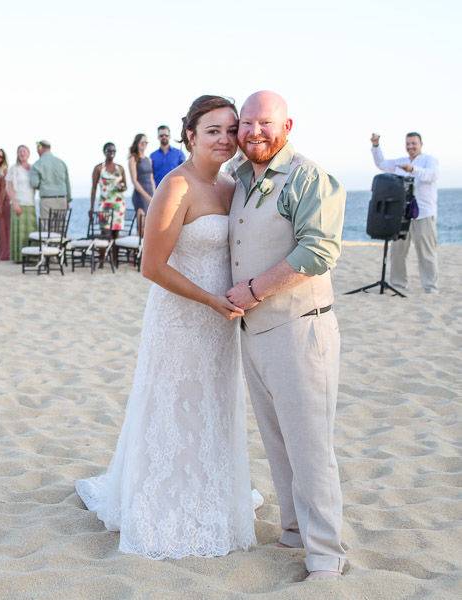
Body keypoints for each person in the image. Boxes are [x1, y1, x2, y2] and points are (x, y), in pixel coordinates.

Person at [76, 95, 256, 562]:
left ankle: (212, 492)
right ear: (190, 136)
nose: (224, 138)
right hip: (181, 317)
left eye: (230, 130)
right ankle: (165, 498)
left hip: (222, 320)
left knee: (215, 404)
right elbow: (151, 266)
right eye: (212, 130)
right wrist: (210, 300)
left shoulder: (233, 185)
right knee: (175, 405)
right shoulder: (175, 187)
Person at [226, 91, 347, 581]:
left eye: (265, 123)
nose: (255, 131)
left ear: (288, 125)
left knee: (311, 446)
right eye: (247, 123)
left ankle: (326, 557)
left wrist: (253, 289)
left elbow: (319, 250)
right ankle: (294, 530)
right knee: (277, 440)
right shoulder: (239, 178)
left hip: (301, 329)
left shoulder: (307, 177)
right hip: (255, 333)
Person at [371, 132, 440, 293]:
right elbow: (382, 164)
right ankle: (398, 284)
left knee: (426, 253)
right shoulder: (400, 162)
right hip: (401, 215)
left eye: (414, 143)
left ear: (421, 144)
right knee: (398, 252)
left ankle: (430, 288)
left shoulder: (430, 160)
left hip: (424, 214)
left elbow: (432, 176)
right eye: (408, 143)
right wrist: (375, 145)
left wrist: (413, 169)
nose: (410, 146)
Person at [5, 145, 36, 262]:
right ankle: (20, 258)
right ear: (18, 154)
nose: (22, 153)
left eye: (24, 151)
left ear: (28, 153)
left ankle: (32, 257)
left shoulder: (33, 168)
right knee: (20, 232)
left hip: (31, 204)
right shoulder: (14, 168)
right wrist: (14, 202)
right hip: (19, 203)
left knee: (31, 231)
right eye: (20, 152)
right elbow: (8, 187)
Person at [91, 142, 128, 234]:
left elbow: (125, 186)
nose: (112, 153)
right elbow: (94, 188)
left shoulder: (120, 168)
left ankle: (114, 249)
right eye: (109, 150)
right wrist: (91, 207)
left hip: (118, 205)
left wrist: (121, 187)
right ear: (104, 152)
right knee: (105, 233)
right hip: (104, 205)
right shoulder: (99, 168)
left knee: (116, 235)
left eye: (114, 151)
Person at [29, 140, 71, 219]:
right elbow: (67, 183)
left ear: (40, 148)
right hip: (62, 200)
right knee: (60, 227)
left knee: (46, 228)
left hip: (47, 200)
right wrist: (68, 200)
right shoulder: (61, 163)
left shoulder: (37, 164)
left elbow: (34, 184)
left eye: (37, 148)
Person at [128, 134, 155, 217]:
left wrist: (154, 195)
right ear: (137, 143)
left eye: (146, 142)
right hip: (140, 195)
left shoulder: (149, 160)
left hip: (150, 194)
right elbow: (134, 181)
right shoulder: (133, 159)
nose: (144, 144)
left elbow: (151, 179)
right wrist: (147, 197)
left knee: (150, 224)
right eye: (142, 142)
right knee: (141, 225)